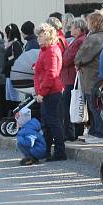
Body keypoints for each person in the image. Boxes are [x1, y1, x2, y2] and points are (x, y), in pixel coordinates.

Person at [75, 11, 103, 145]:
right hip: (96, 75)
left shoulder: (95, 38)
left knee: (94, 106)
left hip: (92, 76)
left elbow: (82, 55)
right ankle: (95, 130)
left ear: (93, 22)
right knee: (94, 105)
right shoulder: (102, 36)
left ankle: (99, 133)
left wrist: (77, 62)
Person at [34, 23, 65, 161]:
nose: (38, 39)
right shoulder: (45, 50)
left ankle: (59, 152)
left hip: (51, 92)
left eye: (41, 36)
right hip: (47, 91)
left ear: (48, 36)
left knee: (53, 122)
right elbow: (45, 69)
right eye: (38, 36)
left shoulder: (52, 51)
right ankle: (46, 150)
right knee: (47, 123)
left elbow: (52, 74)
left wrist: (42, 92)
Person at [60, 17, 87, 141]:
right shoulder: (78, 40)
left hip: (71, 78)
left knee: (70, 106)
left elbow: (68, 59)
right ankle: (75, 132)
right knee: (74, 104)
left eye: (72, 26)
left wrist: (61, 60)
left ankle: (71, 133)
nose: (70, 28)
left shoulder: (78, 41)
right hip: (71, 77)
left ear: (78, 28)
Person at [3, 23, 24, 113]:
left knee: (14, 97)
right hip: (9, 74)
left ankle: (14, 116)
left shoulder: (15, 44)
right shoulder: (13, 44)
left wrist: (7, 63)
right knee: (10, 97)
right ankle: (12, 115)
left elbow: (17, 58)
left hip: (13, 74)